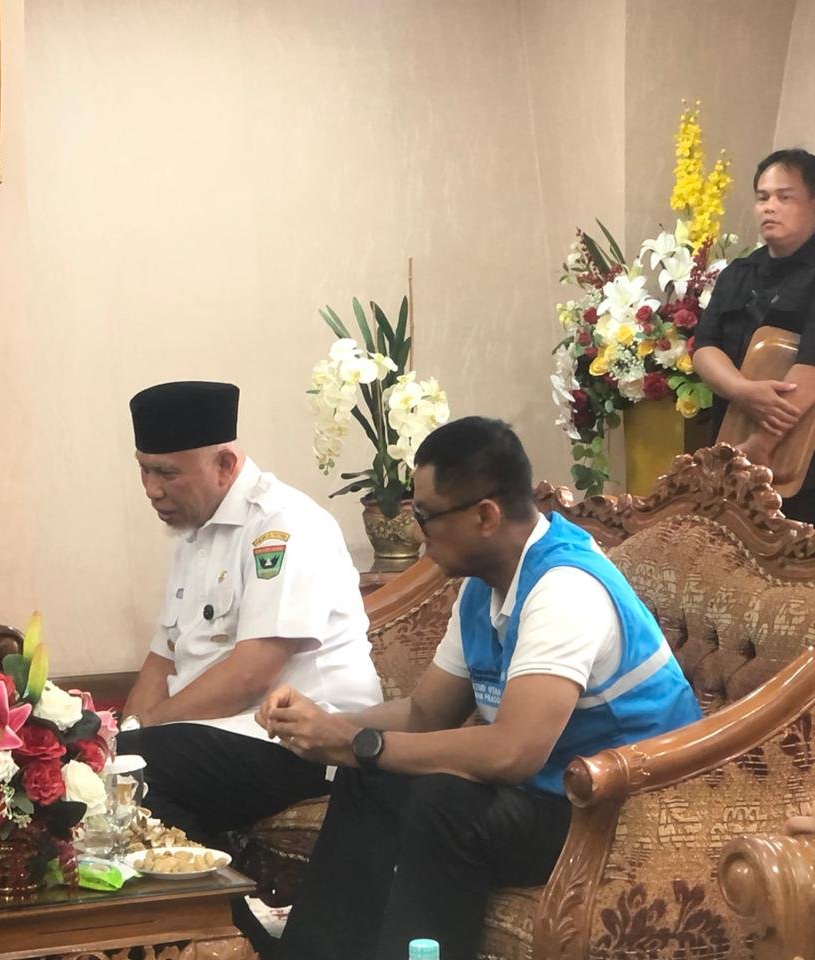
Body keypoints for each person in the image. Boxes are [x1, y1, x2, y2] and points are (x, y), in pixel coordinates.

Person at [258, 416, 702, 960]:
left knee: (445, 802)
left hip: (626, 810)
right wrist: (323, 723)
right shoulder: (482, 586)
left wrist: (358, 743)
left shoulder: (565, 587)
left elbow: (513, 752)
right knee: (372, 779)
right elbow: (426, 714)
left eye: (425, 516)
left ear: (486, 516)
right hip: (553, 793)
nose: (418, 533)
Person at [116, 380, 383, 843]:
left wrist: (142, 732)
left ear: (224, 464)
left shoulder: (283, 524)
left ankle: (209, 892)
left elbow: (252, 675)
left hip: (304, 740)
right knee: (103, 772)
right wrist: (116, 740)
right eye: (144, 470)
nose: (152, 490)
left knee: (143, 770)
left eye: (167, 473)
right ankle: (208, 889)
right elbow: (162, 659)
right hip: (213, 733)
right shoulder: (192, 532)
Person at [693, 147, 815, 520]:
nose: (769, 207)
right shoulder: (738, 273)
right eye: (762, 197)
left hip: (798, 461)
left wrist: (760, 445)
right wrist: (741, 390)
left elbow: (811, 369)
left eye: (784, 197)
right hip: (732, 441)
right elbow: (705, 347)